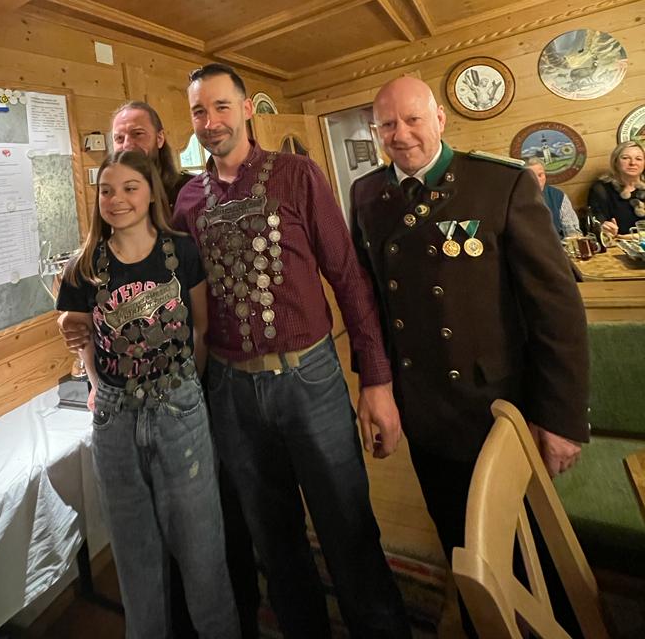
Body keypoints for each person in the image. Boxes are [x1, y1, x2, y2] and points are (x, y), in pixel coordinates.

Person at [172, 63, 411, 639]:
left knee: (348, 530)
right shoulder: (188, 201)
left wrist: (377, 381)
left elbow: (348, 277)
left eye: (221, 106)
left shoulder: (297, 174)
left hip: (311, 381)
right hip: (230, 390)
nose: (211, 121)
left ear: (247, 108)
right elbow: (180, 297)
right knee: (274, 543)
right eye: (199, 111)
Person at [351, 77, 589, 637]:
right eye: (388, 125)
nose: (401, 134)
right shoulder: (366, 194)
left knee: (528, 548)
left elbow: (556, 309)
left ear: (440, 119)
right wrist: (375, 385)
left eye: (413, 120)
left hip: (496, 407)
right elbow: (369, 300)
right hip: (422, 404)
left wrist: (561, 417)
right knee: (455, 533)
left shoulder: (498, 183)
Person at [64, 101, 261, 639]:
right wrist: (91, 372)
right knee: (138, 555)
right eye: (107, 190)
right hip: (118, 413)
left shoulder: (185, 223)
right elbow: (79, 326)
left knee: (207, 542)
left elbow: (201, 325)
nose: (118, 198)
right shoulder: (88, 263)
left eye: (131, 187)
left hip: (182, 401)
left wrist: (188, 385)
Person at [111, 101, 193, 207]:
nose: (127, 145)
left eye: (137, 134)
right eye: (119, 138)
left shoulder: (191, 192)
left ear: (159, 138)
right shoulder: (110, 197)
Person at [587, 140, 645, 238]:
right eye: (625, 158)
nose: (632, 163)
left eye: (638, 159)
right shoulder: (601, 189)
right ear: (615, 162)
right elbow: (597, 224)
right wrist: (604, 229)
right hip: (620, 243)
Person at [524, 157, 581, 238]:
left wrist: (573, 238)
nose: (537, 180)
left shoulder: (558, 196)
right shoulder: (514, 198)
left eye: (540, 175)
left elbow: (572, 230)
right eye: (531, 176)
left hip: (557, 244)